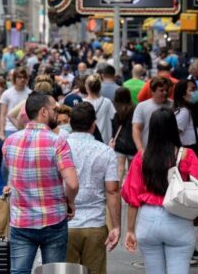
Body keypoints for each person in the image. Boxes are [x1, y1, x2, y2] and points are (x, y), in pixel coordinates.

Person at [121, 109, 198, 273]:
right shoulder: (186, 154)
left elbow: (132, 196)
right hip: (179, 219)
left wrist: (130, 230)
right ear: (173, 127)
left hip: (148, 221)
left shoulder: (142, 157)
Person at [3, 93, 79, 274]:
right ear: (44, 112)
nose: (57, 113)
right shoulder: (58, 142)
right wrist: (70, 201)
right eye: (54, 109)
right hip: (53, 219)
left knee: (18, 271)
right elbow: (73, 184)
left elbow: (12, 177)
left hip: (21, 220)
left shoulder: (10, 142)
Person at [66, 102, 120, 274]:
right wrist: (116, 226)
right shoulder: (106, 152)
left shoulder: (59, 148)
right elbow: (112, 190)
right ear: (93, 125)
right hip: (95, 223)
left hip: (64, 223)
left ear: (70, 123)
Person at [173, 79, 198, 171]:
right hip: (190, 155)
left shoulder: (193, 111)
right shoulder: (184, 112)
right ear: (183, 95)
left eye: (196, 89)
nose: (196, 92)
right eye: (192, 89)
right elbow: (172, 135)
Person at [132, 76, 174, 151]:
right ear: (152, 91)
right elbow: (136, 128)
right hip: (148, 151)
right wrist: (140, 149)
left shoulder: (173, 105)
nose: (165, 93)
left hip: (169, 151)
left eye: (166, 90)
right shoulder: (142, 106)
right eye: (161, 90)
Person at [110, 87, 137, 181]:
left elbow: (114, 127)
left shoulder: (115, 109)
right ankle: (129, 190)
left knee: (120, 168)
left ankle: (117, 190)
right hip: (133, 143)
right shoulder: (135, 109)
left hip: (119, 143)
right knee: (131, 169)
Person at [85, 74, 116, 144]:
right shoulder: (107, 102)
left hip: (88, 141)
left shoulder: (82, 103)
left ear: (87, 88)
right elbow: (114, 117)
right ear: (100, 87)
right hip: (105, 140)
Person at [0, 68, 31, 133]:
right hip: (10, 129)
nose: (22, 79)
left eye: (24, 77)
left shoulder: (30, 94)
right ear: (14, 79)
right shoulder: (7, 93)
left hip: (25, 129)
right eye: (19, 77)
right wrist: (2, 132)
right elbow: (2, 114)